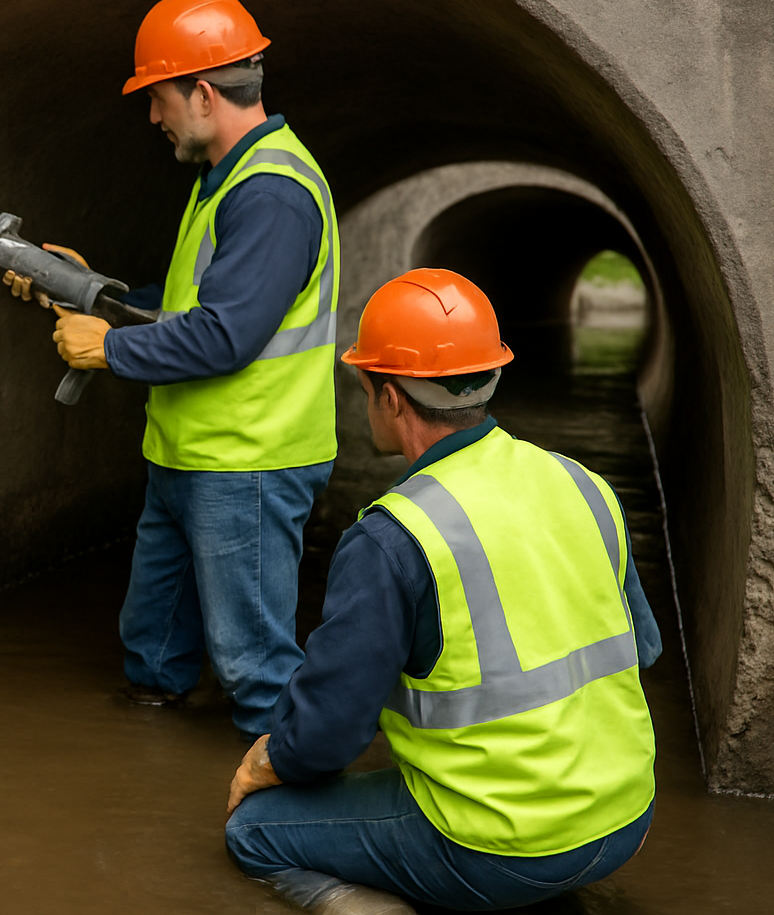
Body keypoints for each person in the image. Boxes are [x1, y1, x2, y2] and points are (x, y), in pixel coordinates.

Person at [223, 269, 662, 914]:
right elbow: (641, 650)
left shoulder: (394, 537)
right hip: (625, 819)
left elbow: (328, 736)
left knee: (254, 832)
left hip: (498, 844)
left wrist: (266, 763)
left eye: (366, 385)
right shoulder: (581, 483)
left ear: (392, 398)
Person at [7, 0, 340, 738]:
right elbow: (190, 303)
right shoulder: (222, 177)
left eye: (156, 99)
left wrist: (108, 347)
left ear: (199, 91)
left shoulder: (273, 193)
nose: (152, 118)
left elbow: (225, 336)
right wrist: (91, 290)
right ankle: (144, 758)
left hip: (249, 463)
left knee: (253, 663)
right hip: (189, 455)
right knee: (154, 643)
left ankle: (271, 807)